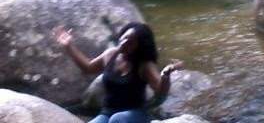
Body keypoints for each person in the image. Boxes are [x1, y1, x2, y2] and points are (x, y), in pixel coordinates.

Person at [52, 22, 182, 123]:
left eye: (130, 43)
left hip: (135, 115)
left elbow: (161, 93)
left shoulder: (145, 65)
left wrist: (165, 76)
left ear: (139, 48)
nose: (124, 43)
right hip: (107, 114)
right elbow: (88, 68)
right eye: (125, 38)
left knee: (118, 119)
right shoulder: (110, 54)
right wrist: (69, 46)